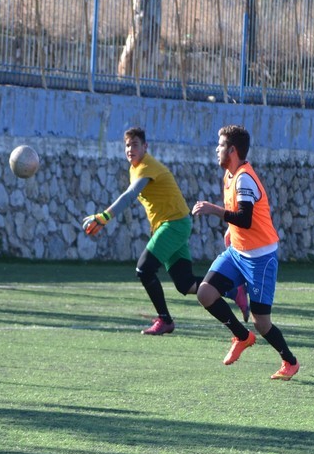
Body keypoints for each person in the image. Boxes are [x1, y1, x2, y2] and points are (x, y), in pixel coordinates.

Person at [82, 127, 248, 335]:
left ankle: (165, 320)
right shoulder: (135, 168)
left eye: (135, 145)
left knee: (144, 269)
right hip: (173, 224)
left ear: (145, 146)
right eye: (127, 145)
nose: (130, 149)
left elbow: (130, 195)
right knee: (185, 284)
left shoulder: (146, 166)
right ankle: (232, 288)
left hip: (174, 224)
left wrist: (104, 217)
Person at [190, 124, 300, 381]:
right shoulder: (229, 175)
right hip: (238, 253)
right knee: (205, 293)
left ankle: (290, 361)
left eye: (220, 145)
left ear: (232, 150)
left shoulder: (244, 178)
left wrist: (213, 210)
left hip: (260, 258)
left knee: (262, 322)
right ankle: (241, 336)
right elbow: (237, 215)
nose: (216, 149)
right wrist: (230, 230)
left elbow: (245, 218)